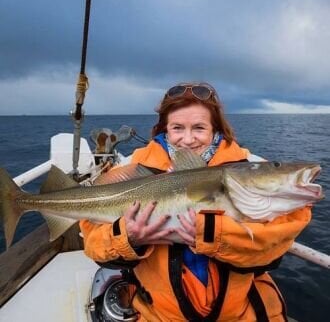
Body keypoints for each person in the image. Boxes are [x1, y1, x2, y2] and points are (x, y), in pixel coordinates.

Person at [80, 82, 311, 321]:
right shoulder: (135, 165)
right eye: (177, 128)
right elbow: (92, 241)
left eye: (199, 128)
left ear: (215, 129)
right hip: (157, 315)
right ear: (165, 129)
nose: (187, 139)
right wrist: (129, 238)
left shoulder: (245, 167)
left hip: (239, 314)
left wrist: (215, 234)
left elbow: (275, 244)